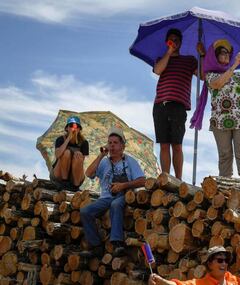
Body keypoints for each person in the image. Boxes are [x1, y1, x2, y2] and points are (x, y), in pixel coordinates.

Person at [80, 127, 146, 257]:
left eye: (115, 143)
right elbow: (88, 173)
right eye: (110, 143)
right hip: (105, 197)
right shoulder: (104, 162)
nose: (112, 146)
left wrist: (123, 186)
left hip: (125, 195)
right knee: (85, 211)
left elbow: (142, 181)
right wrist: (101, 155)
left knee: (116, 204)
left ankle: (117, 243)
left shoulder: (130, 161)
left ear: (122, 146)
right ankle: (96, 245)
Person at [152, 28, 204, 180]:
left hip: (179, 106)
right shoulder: (161, 59)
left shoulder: (189, 61)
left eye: (176, 40)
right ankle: (166, 177)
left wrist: (202, 55)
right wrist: (168, 52)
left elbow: (202, 75)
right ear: (167, 42)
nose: (174, 43)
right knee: (163, 144)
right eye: (171, 40)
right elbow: (157, 70)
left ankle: (178, 179)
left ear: (181, 43)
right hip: (160, 105)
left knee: (177, 144)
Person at [205, 39, 240, 181]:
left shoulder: (238, 76)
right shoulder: (210, 75)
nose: (227, 55)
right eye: (223, 53)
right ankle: (225, 187)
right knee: (225, 155)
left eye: (228, 53)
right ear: (215, 57)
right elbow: (218, 84)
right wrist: (235, 64)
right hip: (220, 121)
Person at [148, 246, 240, 285]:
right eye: (220, 260)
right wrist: (161, 281)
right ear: (209, 264)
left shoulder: (236, 281)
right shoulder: (200, 283)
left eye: (226, 260)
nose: (224, 263)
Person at [51, 116, 89, 190]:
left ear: (79, 129)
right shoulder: (61, 139)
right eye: (71, 126)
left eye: (77, 126)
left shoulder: (84, 142)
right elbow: (57, 155)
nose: (74, 128)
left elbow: (81, 162)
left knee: (78, 154)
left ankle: (76, 186)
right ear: (66, 128)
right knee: (67, 153)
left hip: (74, 175)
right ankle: (64, 183)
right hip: (59, 174)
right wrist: (68, 138)